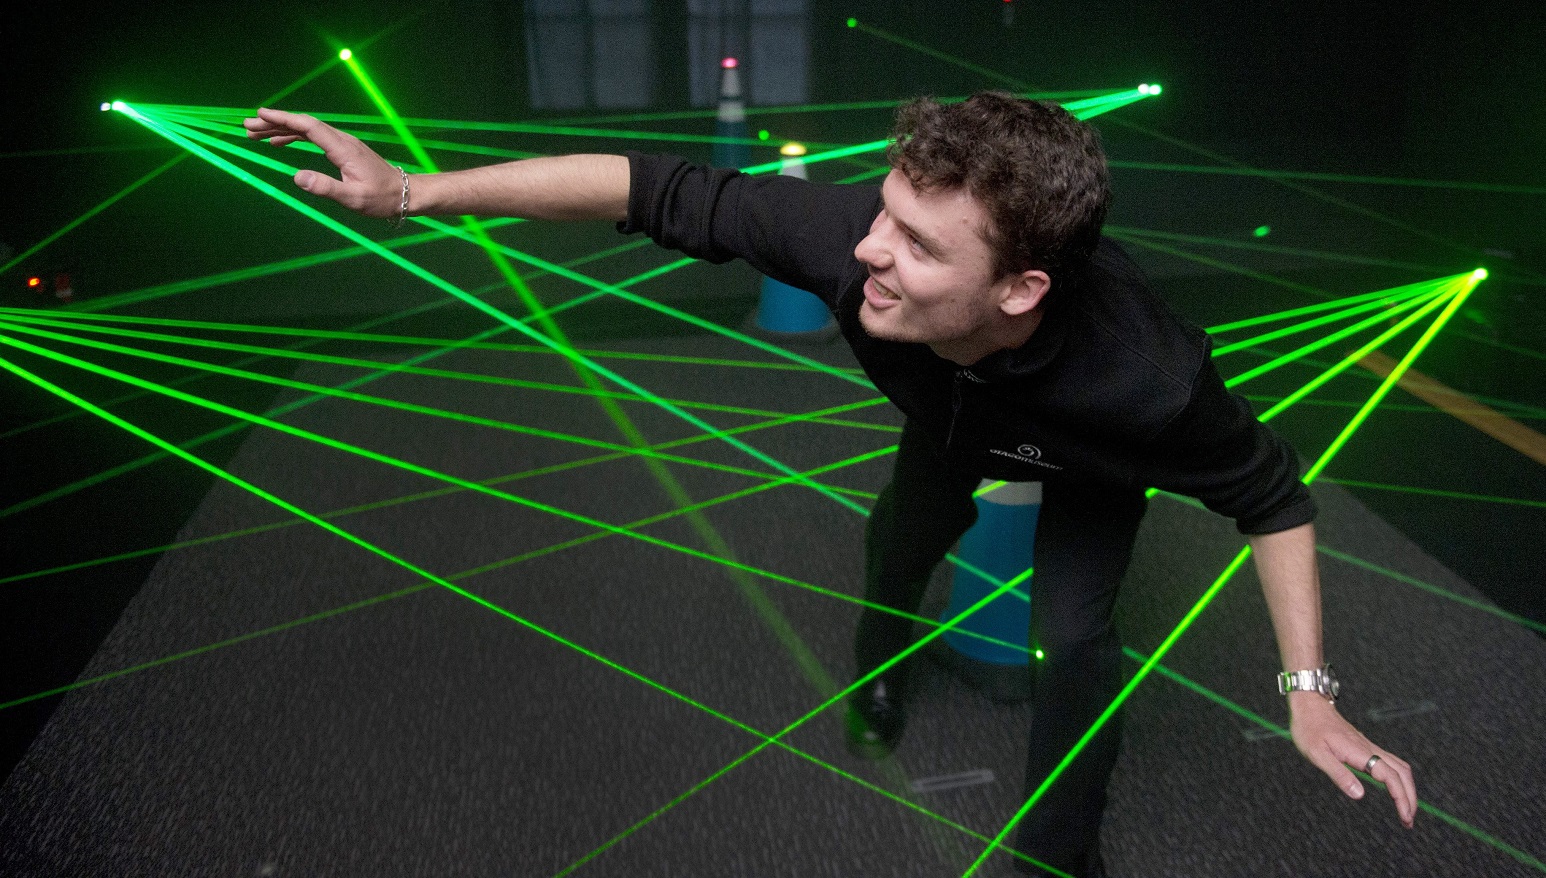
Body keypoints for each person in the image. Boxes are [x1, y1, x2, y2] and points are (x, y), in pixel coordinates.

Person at [245, 93, 1417, 876]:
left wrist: (1308, 688)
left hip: (1085, 459)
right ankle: (878, 677)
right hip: (953, 426)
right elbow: (641, 186)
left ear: (1018, 290)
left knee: (1078, 634)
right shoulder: (836, 231)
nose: (867, 254)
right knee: (896, 546)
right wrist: (413, 194)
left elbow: (1275, 501)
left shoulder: (1150, 381)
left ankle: (1060, 852)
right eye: (885, 218)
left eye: (918, 245)